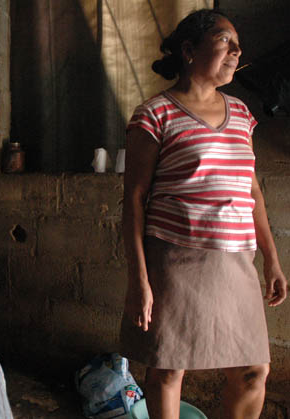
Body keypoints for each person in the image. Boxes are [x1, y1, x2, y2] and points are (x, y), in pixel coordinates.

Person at [120, 9, 287, 418]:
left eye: (237, 44)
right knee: (167, 370)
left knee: (253, 370)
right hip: (175, 262)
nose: (236, 50)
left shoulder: (243, 116)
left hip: (236, 264)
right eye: (225, 40)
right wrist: (140, 279)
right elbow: (134, 200)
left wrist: (272, 260)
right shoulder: (155, 114)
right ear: (190, 50)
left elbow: (253, 193)